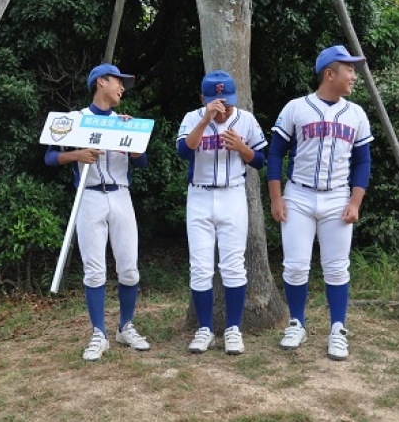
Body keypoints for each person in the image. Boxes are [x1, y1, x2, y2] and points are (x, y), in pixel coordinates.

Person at [267, 45, 373, 361]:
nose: (354, 76)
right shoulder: (296, 108)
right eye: (349, 70)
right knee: (296, 266)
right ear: (329, 74)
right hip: (298, 195)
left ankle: (337, 329)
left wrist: (355, 201)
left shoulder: (356, 114)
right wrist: (276, 198)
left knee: (337, 268)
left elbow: (363, 161)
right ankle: (296, 323)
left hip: (338, 196)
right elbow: (275, 153)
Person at [44, 63, 150, 361]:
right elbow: (49, 157)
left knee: (129, 268)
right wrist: (77, 154)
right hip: (88, 196)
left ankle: (126, 327)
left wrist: (134, 144)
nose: (122, 88)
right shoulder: (75, 120)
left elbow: (142, 162)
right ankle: (98, 334)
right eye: (118, 81)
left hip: (121, 194)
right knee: (94, 270)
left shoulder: (124, 122)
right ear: (101, 82)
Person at [176, 70, 268, 355]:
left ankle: (233, 329)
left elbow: (260, 160)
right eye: (217, 102)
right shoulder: (192, 118)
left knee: (233, 265)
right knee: (200, 267)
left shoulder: (246, 119)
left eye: (227, 102)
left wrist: (242, 148)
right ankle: (204, 329)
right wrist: (205, 119)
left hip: (232, 194)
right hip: (199, 195)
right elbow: (183, 151)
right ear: (203, 99)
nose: (223, 108)